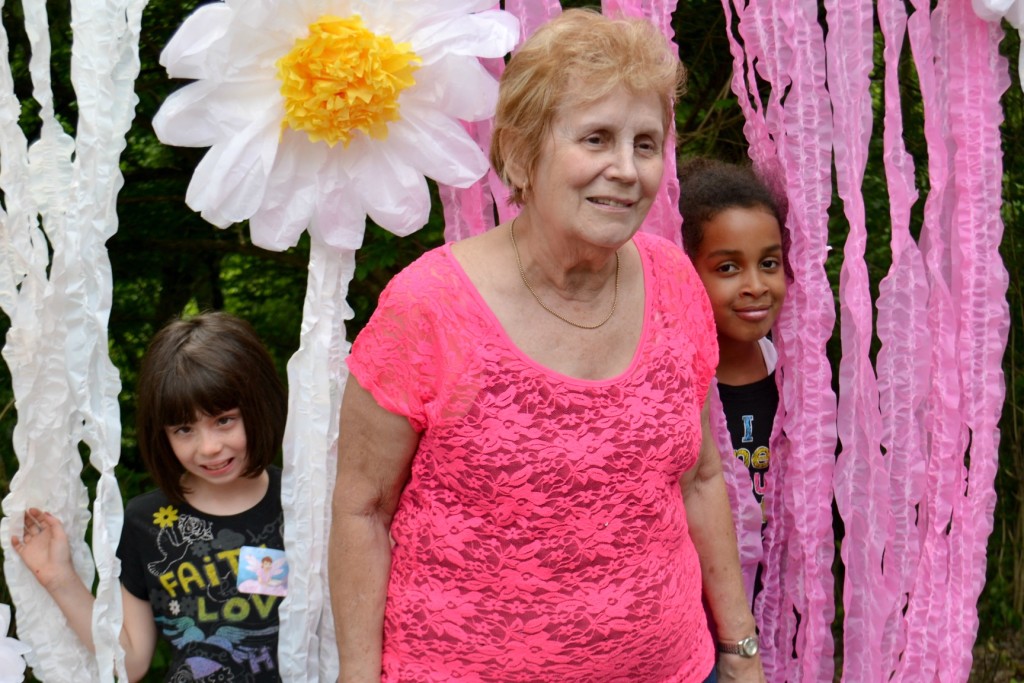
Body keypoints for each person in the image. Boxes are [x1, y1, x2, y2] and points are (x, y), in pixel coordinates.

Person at [329, 9, 764, 683]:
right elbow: (362, 509)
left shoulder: (676, 283)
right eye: (596, 138)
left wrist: (739, 649)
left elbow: (700, 476)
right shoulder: (430, 307)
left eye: (645, 144)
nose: (626, 169)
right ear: (522, 150)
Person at [11, 312, 287, 682]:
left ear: (259, 405)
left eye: (224, 420)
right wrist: (61, 579)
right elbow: (132, 661)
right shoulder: (145, 521)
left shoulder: (302, 503)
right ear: (162, 433)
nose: (208, 447)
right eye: (184, 428)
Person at [678, 157, 787, 605]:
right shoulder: (678, 386)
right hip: (699, 612)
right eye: (727, 268)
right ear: (685, 272)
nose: (755, 285)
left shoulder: (797, 377)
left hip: (780, 608)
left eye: (769, 263)